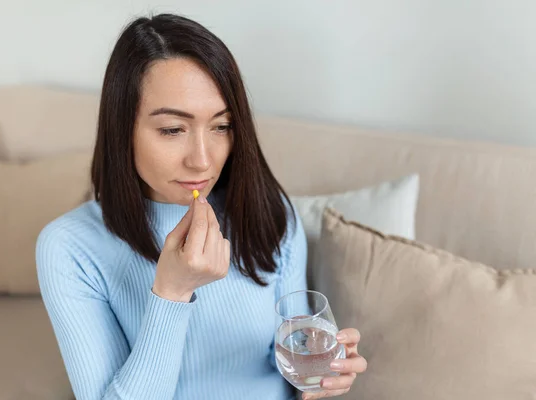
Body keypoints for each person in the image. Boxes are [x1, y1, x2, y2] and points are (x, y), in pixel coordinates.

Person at [36, 13, 367, 400]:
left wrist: (320, 375)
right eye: (173, 130)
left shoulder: (269, 212)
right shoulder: (69, 247)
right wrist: (172, 293)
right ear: (121, 128)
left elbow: (286, 360)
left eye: (221, 126)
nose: (202, 161)